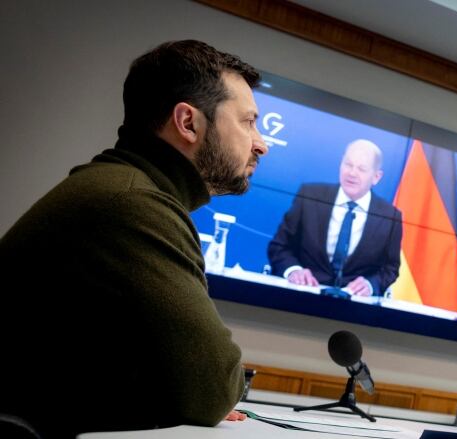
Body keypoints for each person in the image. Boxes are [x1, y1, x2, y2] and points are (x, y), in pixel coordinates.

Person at [0, 40, 268, 438]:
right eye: (248, 122)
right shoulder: (133, 204)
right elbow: (212, 387)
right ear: (188, 122)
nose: (260, 143)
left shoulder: (120, 188)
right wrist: (195, 391)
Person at [268, 139, 402, 296]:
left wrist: (370, 285)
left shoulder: (390, 216)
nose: (352, 173)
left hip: (354, 308)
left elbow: (390, 268)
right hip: (302, 294)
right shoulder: (310, 195)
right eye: (348, 164)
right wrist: (293, 271)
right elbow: (279, 246)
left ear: (376, 177)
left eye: (361, 169)